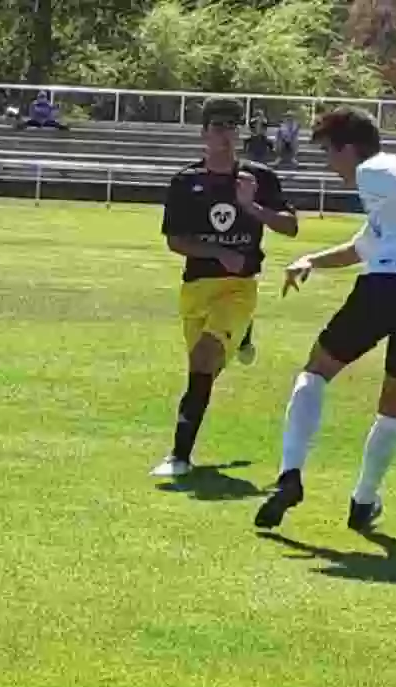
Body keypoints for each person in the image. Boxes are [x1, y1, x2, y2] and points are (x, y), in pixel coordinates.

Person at [254, 107, 396, 532]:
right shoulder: (387, 201)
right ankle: (363, 500)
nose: (329, 165)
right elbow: (363, 246)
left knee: (317, 369)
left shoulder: (377, 169)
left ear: (350, 148)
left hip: (387, 288)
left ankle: (290, 476)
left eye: (329, 153)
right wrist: (311, 260)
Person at [150, 97, 298, 478]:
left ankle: (178, 456)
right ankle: (244, 335)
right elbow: (175, 240)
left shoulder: (258, 177)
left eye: (232, 127)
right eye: (218, 127)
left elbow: (289, 226)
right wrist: (217, 251)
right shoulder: (186, 181)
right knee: (204, 370)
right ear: (203, 134)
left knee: (203, 360)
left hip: (239, 288)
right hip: (196, 289)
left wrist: (251, 206)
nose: (226, 135)